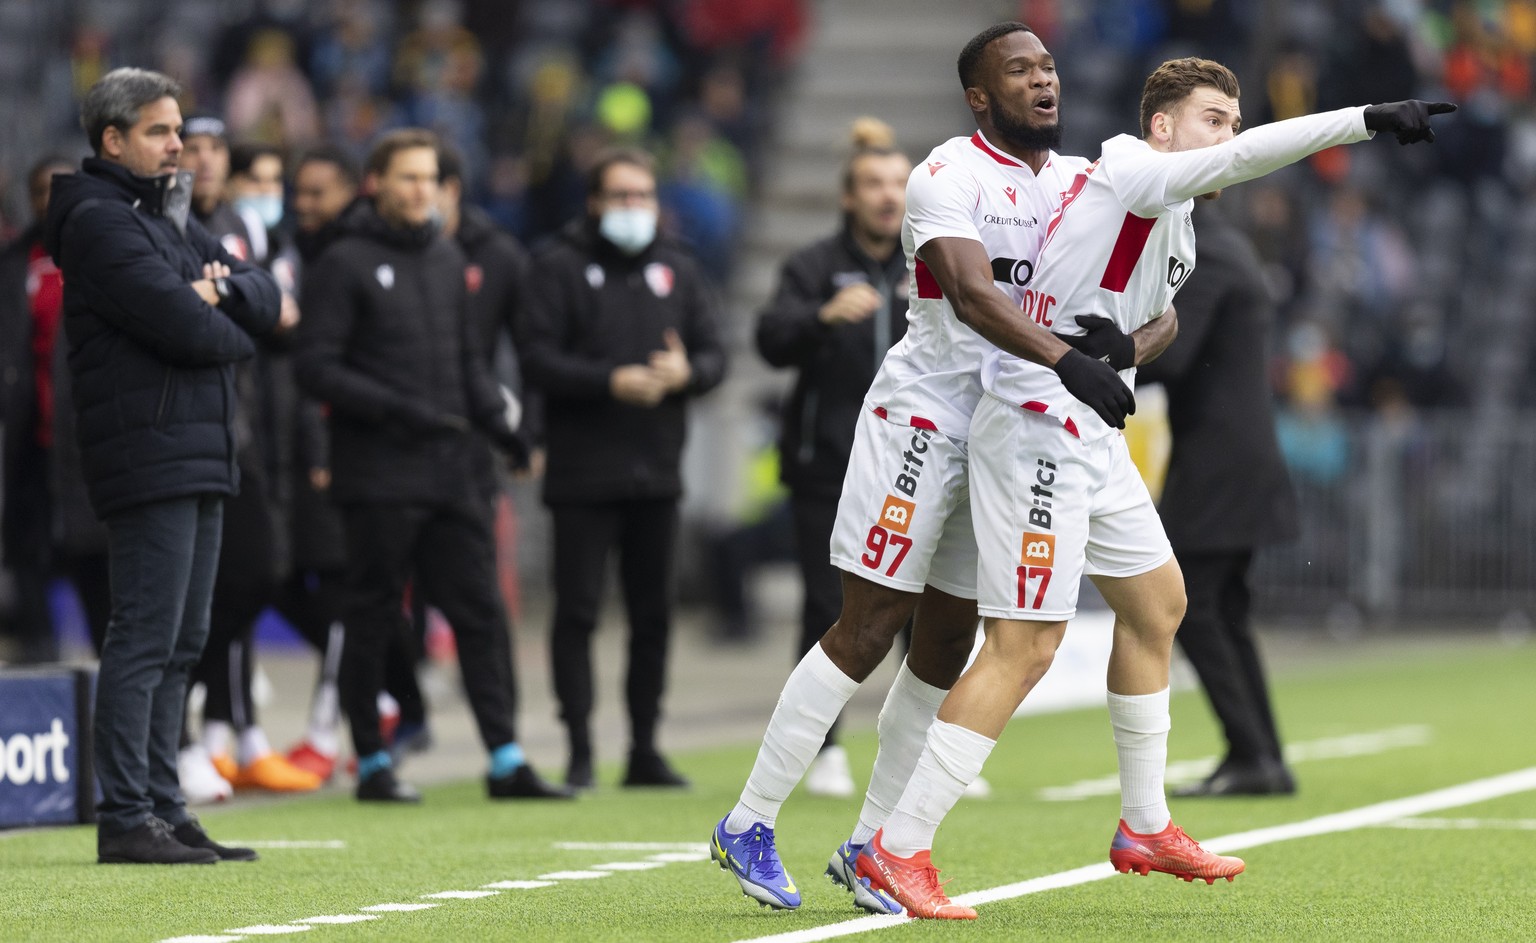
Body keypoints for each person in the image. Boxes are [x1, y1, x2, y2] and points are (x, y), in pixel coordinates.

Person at [855, 58, 1453, 919]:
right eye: (1215, 118)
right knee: (1026, 643)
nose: (1230, 137)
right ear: (1164, 128)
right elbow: (1230, 170)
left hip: (1091, 433)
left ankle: (1144, 824)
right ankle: (896, 847)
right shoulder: (1131, 164)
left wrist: (1130, 348)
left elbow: (1154, 319)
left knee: (1160, 604)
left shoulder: (1178, 225)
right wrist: (1360, 119)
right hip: (1032, 432)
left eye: (1237, 119)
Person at [712, 22, 1174, 915]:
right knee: (870, 620)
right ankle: (750, 817)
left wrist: (1130, 343)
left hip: (1008, 433)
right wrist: (1070, 363)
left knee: (949, 642)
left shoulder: (1084, 183)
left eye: (1048, 67)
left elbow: (1159, 301)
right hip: (925, 418)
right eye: (1019, 70)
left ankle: (868, 845)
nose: (1043, 81)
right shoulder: (945, 175)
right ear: (979, 95)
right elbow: (969, 292)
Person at [44, 67, 280, 863]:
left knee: (185, 638)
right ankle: (124, 815)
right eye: (159, 130)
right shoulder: (99, 222)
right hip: (148, 450)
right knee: (145, 634)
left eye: (179, 129)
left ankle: (165, 806)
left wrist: (222, 297)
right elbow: (197, 331)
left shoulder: (166, 215)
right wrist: (217, 306)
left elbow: (267, 292)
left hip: (197, 446)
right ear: (113, 140)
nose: (180, 144)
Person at [295, 128, 569, 803]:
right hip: (380, 473)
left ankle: (505, 756)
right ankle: (373, 761)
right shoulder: (344, 261)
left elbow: (466, 363)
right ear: (378, 184)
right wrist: (394, 408)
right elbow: (314, 366)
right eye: (407, 178)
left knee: (478, 610)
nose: (422, 191)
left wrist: (504, 429)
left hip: (452, 469)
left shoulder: (448, 260)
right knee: (376, 612)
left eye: (430, 179)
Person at [520, 147, 727, 791]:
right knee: (578, 612)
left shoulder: (679, 269)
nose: (633, 209)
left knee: (652, 615)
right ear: (594, 203)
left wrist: (687, 375)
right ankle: (580, 747)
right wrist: (611, 380)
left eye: (642, 196)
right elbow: (536, 358)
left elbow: (716, 353)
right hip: (583, 471)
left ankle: (644, 746)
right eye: (620, 197)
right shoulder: (556, 266)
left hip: (656, 469)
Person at [752, 117, 913, 798]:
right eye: (874, 184)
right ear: (849, 196)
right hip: (829, 463)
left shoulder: (930, 264)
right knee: (828, 606)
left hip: (914, 462)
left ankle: (919, 750)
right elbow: (769, 341)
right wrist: (820, 316)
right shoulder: (814, 266)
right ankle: (823, 750)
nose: (888, 196)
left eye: (899, 184)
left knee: (922, 607)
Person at [1138, 200, 1300, 797]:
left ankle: (1254, 752)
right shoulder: (1228, 244)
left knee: (1189, 606)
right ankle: (1260, 755)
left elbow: (1175, 354)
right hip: (1233, 453)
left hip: (1219, 461)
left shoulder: (1204, 251)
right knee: (1223, 609)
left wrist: (1091, 353)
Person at [177, 121, 319, 800]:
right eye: (192, 148)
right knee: (209, 584)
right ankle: (206, 737)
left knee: (257, 572)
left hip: (253, 428)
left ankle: (225, 729)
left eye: (214, 150)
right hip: (202, 427)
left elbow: (279, 317)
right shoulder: (167, 227)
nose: (204, 159)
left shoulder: (247, 233)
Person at [280, 144, 427, 782]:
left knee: (356, 591)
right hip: (300, 448)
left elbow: (327, 368)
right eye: (299, 193)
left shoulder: (355, 259)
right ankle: (396, 703)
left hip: (349, 452)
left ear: (352, 191)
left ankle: (334, 729)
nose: (304, 205)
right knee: (302, 584)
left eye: (318, 192)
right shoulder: (301, 253)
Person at [1, 155, 112, 666]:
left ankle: (113, 673)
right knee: (29, 556)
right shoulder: (14, 262)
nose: (50, 199)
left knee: (94, 562)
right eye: (41, 190)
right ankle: (38, 665)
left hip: (92, 438)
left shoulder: (107, 255)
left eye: (60, 188)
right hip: (30, 438)